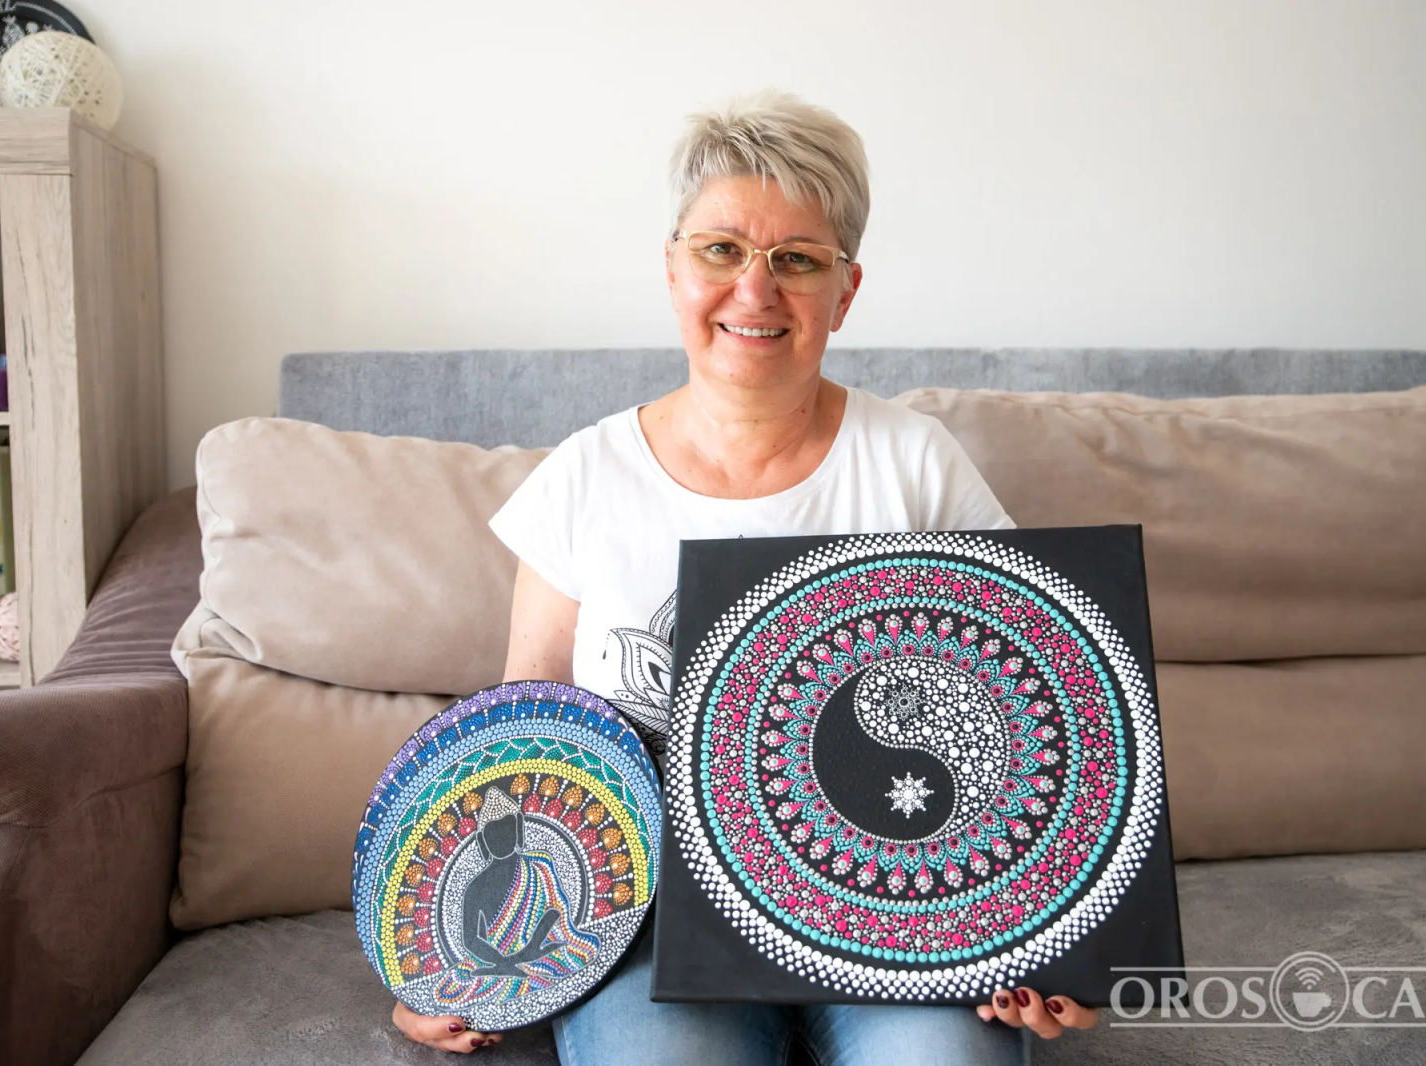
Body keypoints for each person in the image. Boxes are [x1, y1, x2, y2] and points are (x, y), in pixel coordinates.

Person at [392, 90, 1099, 1062]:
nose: (754, 291)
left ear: (845, 291)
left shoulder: (915, 464)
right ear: (672, 268)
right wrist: (443, 964)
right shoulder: (585, 477)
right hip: (651, 933)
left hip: (900, 926)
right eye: (721, 249)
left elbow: (1044, 715)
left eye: (796, 259)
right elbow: (523, 749)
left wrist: (1064, 949)